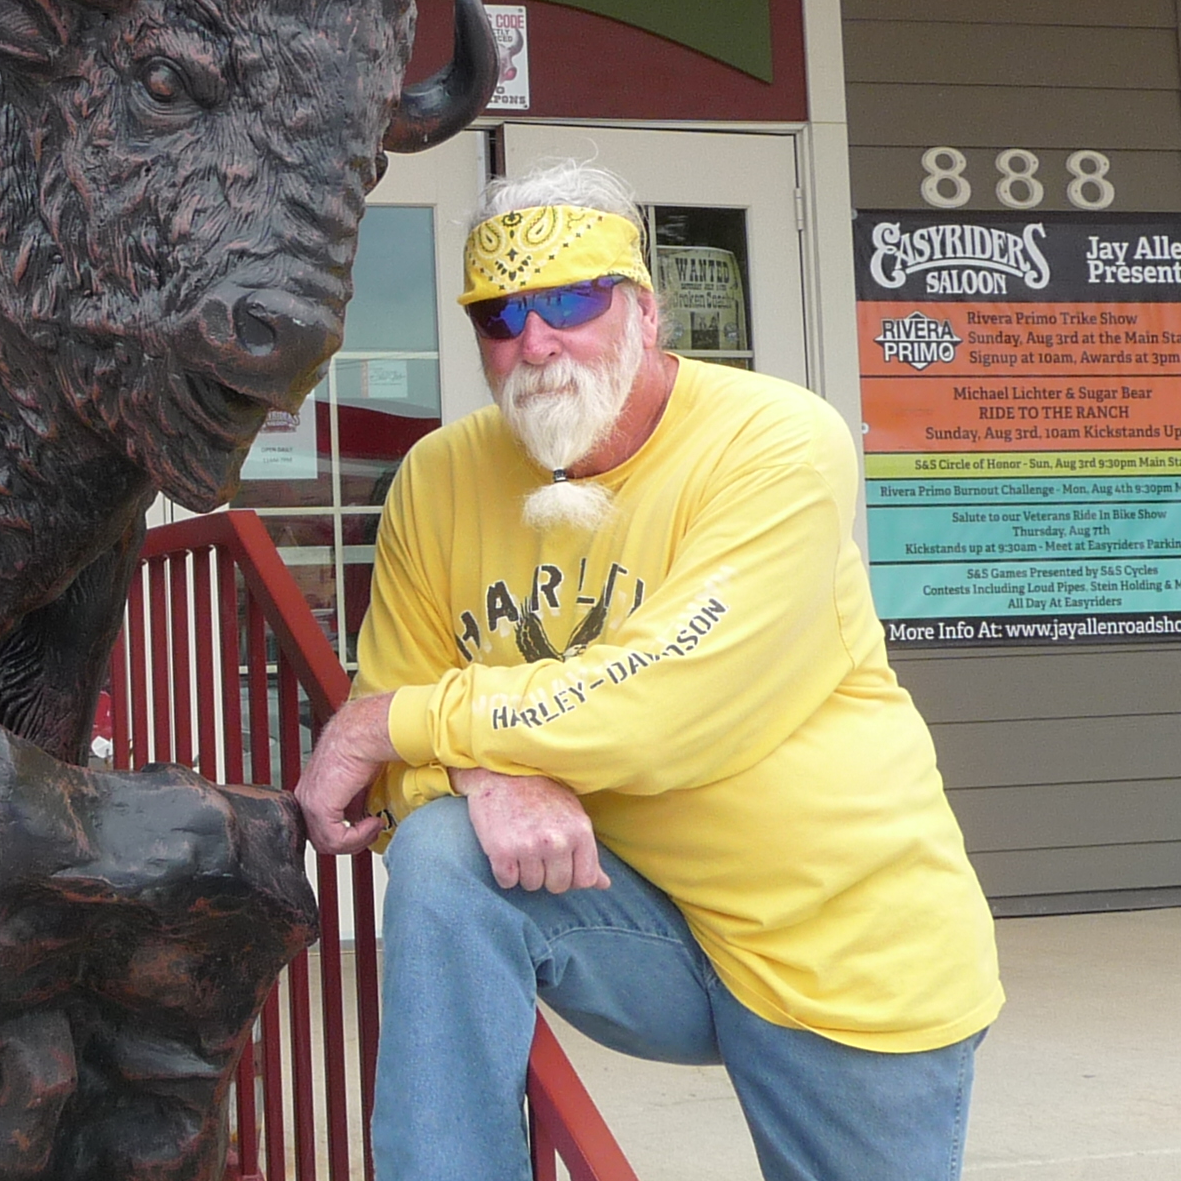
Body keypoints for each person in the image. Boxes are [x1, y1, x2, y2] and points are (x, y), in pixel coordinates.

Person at [294, 163, 1001, 1181]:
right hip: (621, 917)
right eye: (501, 314)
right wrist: (477, 771)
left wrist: (387, 727)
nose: (536, 342)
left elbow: (659, 708)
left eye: (572, 301)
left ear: (645, 311)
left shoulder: (777, 440)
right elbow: (400, 732)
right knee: (446, 850)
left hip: (837, 943)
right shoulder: (438, 477)